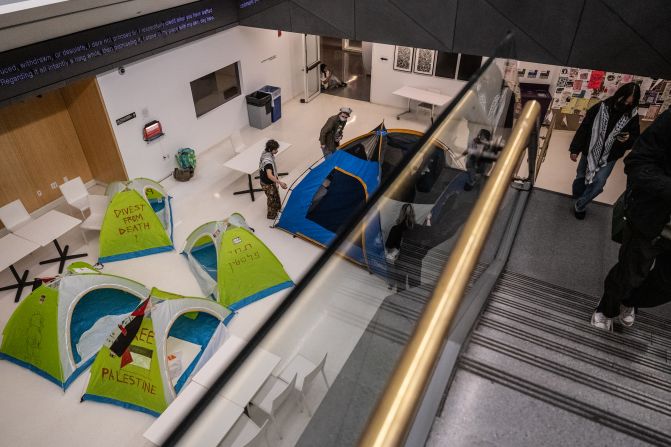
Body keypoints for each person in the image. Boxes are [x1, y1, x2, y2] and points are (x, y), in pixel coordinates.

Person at [592, 109, 671, 331]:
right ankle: (607, 307)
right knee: (630, 273)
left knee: (665, 285)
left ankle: (630, 301)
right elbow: (636, 162)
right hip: (652, 217)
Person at [569, 82, 641, 219]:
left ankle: (580, 204)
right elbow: (584, 128)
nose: (626, 105)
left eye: (629, 103)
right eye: (624, 100)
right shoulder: (600, 107)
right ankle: (577, 196)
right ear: (619, 95)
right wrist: (575, 149)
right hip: (589, 150)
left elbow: (634, 137)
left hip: (610, 155)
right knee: (581, 176)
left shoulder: (633, 116)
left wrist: (627, 140)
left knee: (599, 182)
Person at [259, 139, 287, 220]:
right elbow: (270, 176)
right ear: (270, 149)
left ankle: (278, 209)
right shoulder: (268, 162)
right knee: (271, 199)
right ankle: (271, 215)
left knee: (276, 195)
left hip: (268, 181)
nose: (277, 151)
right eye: (275, 149)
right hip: (267, 183)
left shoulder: (265, 153)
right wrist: (280, 182)